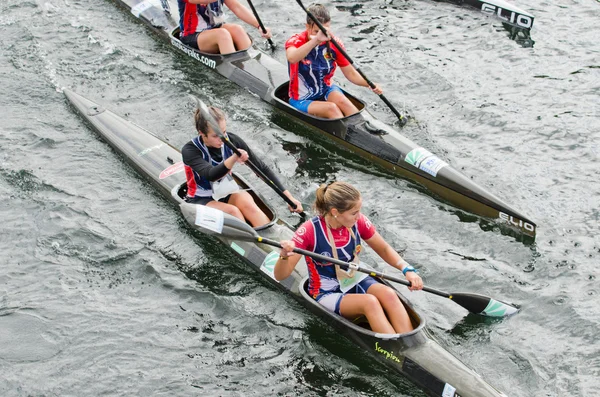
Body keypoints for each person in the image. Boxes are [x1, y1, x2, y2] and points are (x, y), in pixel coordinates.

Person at [274, 182, 423, 334]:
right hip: (326, 292)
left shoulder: (358, 221)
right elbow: (280, 275)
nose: (358, 217)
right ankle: (394, 351)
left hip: (353, 279)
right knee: (370, 303)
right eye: (354, 213)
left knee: (389, 294)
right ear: (335, 212)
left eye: (359, 211)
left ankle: (411, 348)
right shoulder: (308, 231)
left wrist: (407, 269)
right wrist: (284, 256)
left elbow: (384, 249)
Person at [182, 105, 303, 227]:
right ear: (201, 133)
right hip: (200, 198)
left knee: (247, 202)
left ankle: (273, 238)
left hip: (225, 192)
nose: (223, 139)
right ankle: (250, 242)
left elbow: (261, 168)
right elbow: (211, 175)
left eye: (223, 132)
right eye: (216, 136)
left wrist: (289, 198)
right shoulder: (190, 150)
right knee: (232, 211)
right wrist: (234, 158)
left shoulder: (233, 140)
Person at [285, 4, 383, 119]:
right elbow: (292, 58)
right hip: (301, 98)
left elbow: (350, 74)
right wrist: (316, 40)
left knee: (345, 103)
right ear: (307, 27)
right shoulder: (296, 41)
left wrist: (369, 84)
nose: (321, 35)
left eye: (324, 30)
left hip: (326, 90)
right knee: (331, 108)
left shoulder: (335, 44)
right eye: (317, 31)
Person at [177, 0, 272, 54]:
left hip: (215, 27)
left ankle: (253, 63)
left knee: (237, 29)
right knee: (222, 35)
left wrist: (259, 25)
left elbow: (236, 7)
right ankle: (236, 71)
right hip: (192, 35)